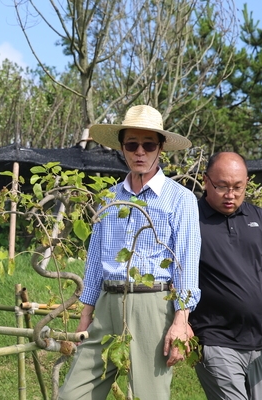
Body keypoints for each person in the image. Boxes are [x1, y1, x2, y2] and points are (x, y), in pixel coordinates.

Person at [58, 105, 201, 400]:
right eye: (132, 144)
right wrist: (86, 314)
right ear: (122, 148)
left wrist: (181, 320)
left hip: (153, 303)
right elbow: (96, 259)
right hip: (108, 303)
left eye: (148, 144)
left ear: (160, 148)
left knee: (149, 396)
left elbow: (186, 263)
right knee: (73, 394)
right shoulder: (109, 197)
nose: (140, 152)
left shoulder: (180, 199)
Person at [189, 152, 262, 400]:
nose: (230, 194)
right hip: (214, 338)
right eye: (222, 186)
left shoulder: (260, 218)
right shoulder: (189, 218)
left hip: (258, 340)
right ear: (205, 180)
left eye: (238, 187)